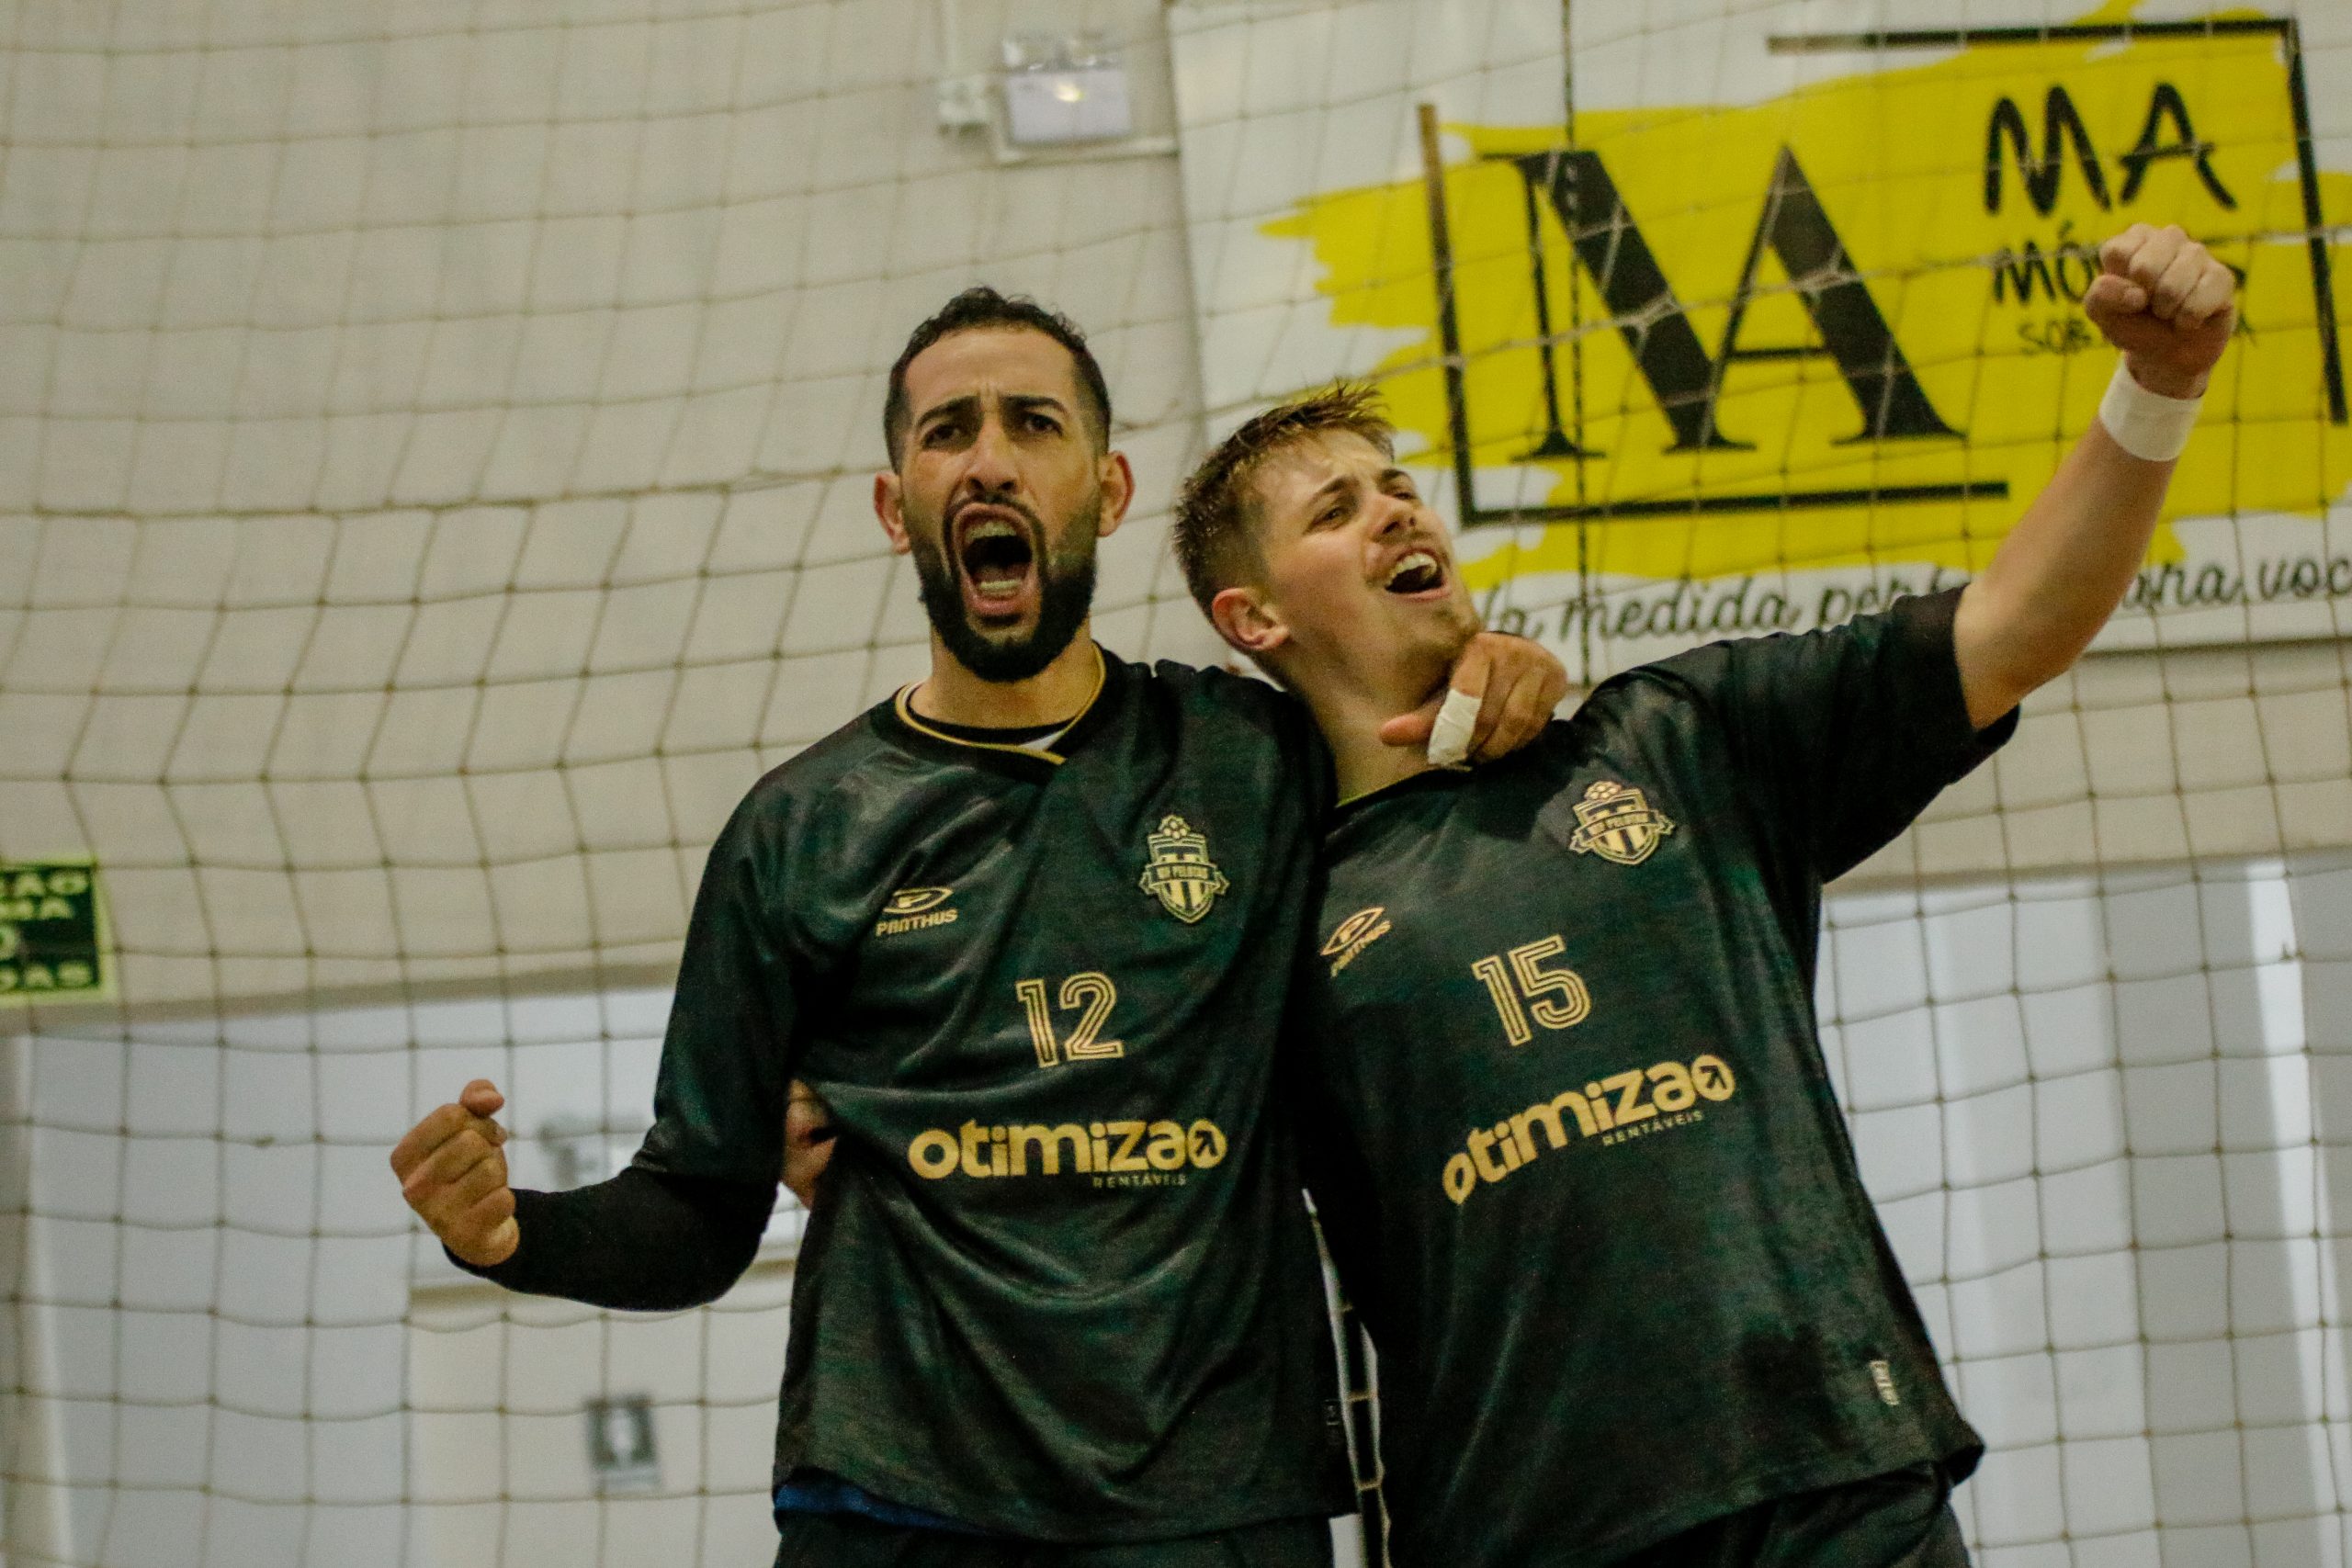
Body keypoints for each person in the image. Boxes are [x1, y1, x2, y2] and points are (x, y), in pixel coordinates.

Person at [389, 287, 1567, 1565]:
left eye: (1033, 424)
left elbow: (1410, 712)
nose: (991, 458)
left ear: (1107, 491)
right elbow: (697, 1209)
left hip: (1218, 1501)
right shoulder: (800, 831)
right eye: (949, 431)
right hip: (902, 1503)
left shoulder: (1258, 756)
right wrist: (514, 1233)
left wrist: (1504, 667)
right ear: (899, 510)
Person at [1162, 223, 2237, 1566]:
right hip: (1529, 1533)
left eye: (1397, 487)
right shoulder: (1260, 920)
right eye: (1336, 511)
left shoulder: (1680, 738)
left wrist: (2162, 383)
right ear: (1253, 618)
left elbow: (2018, 624)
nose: (1397, 510)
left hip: (1837, 1489)